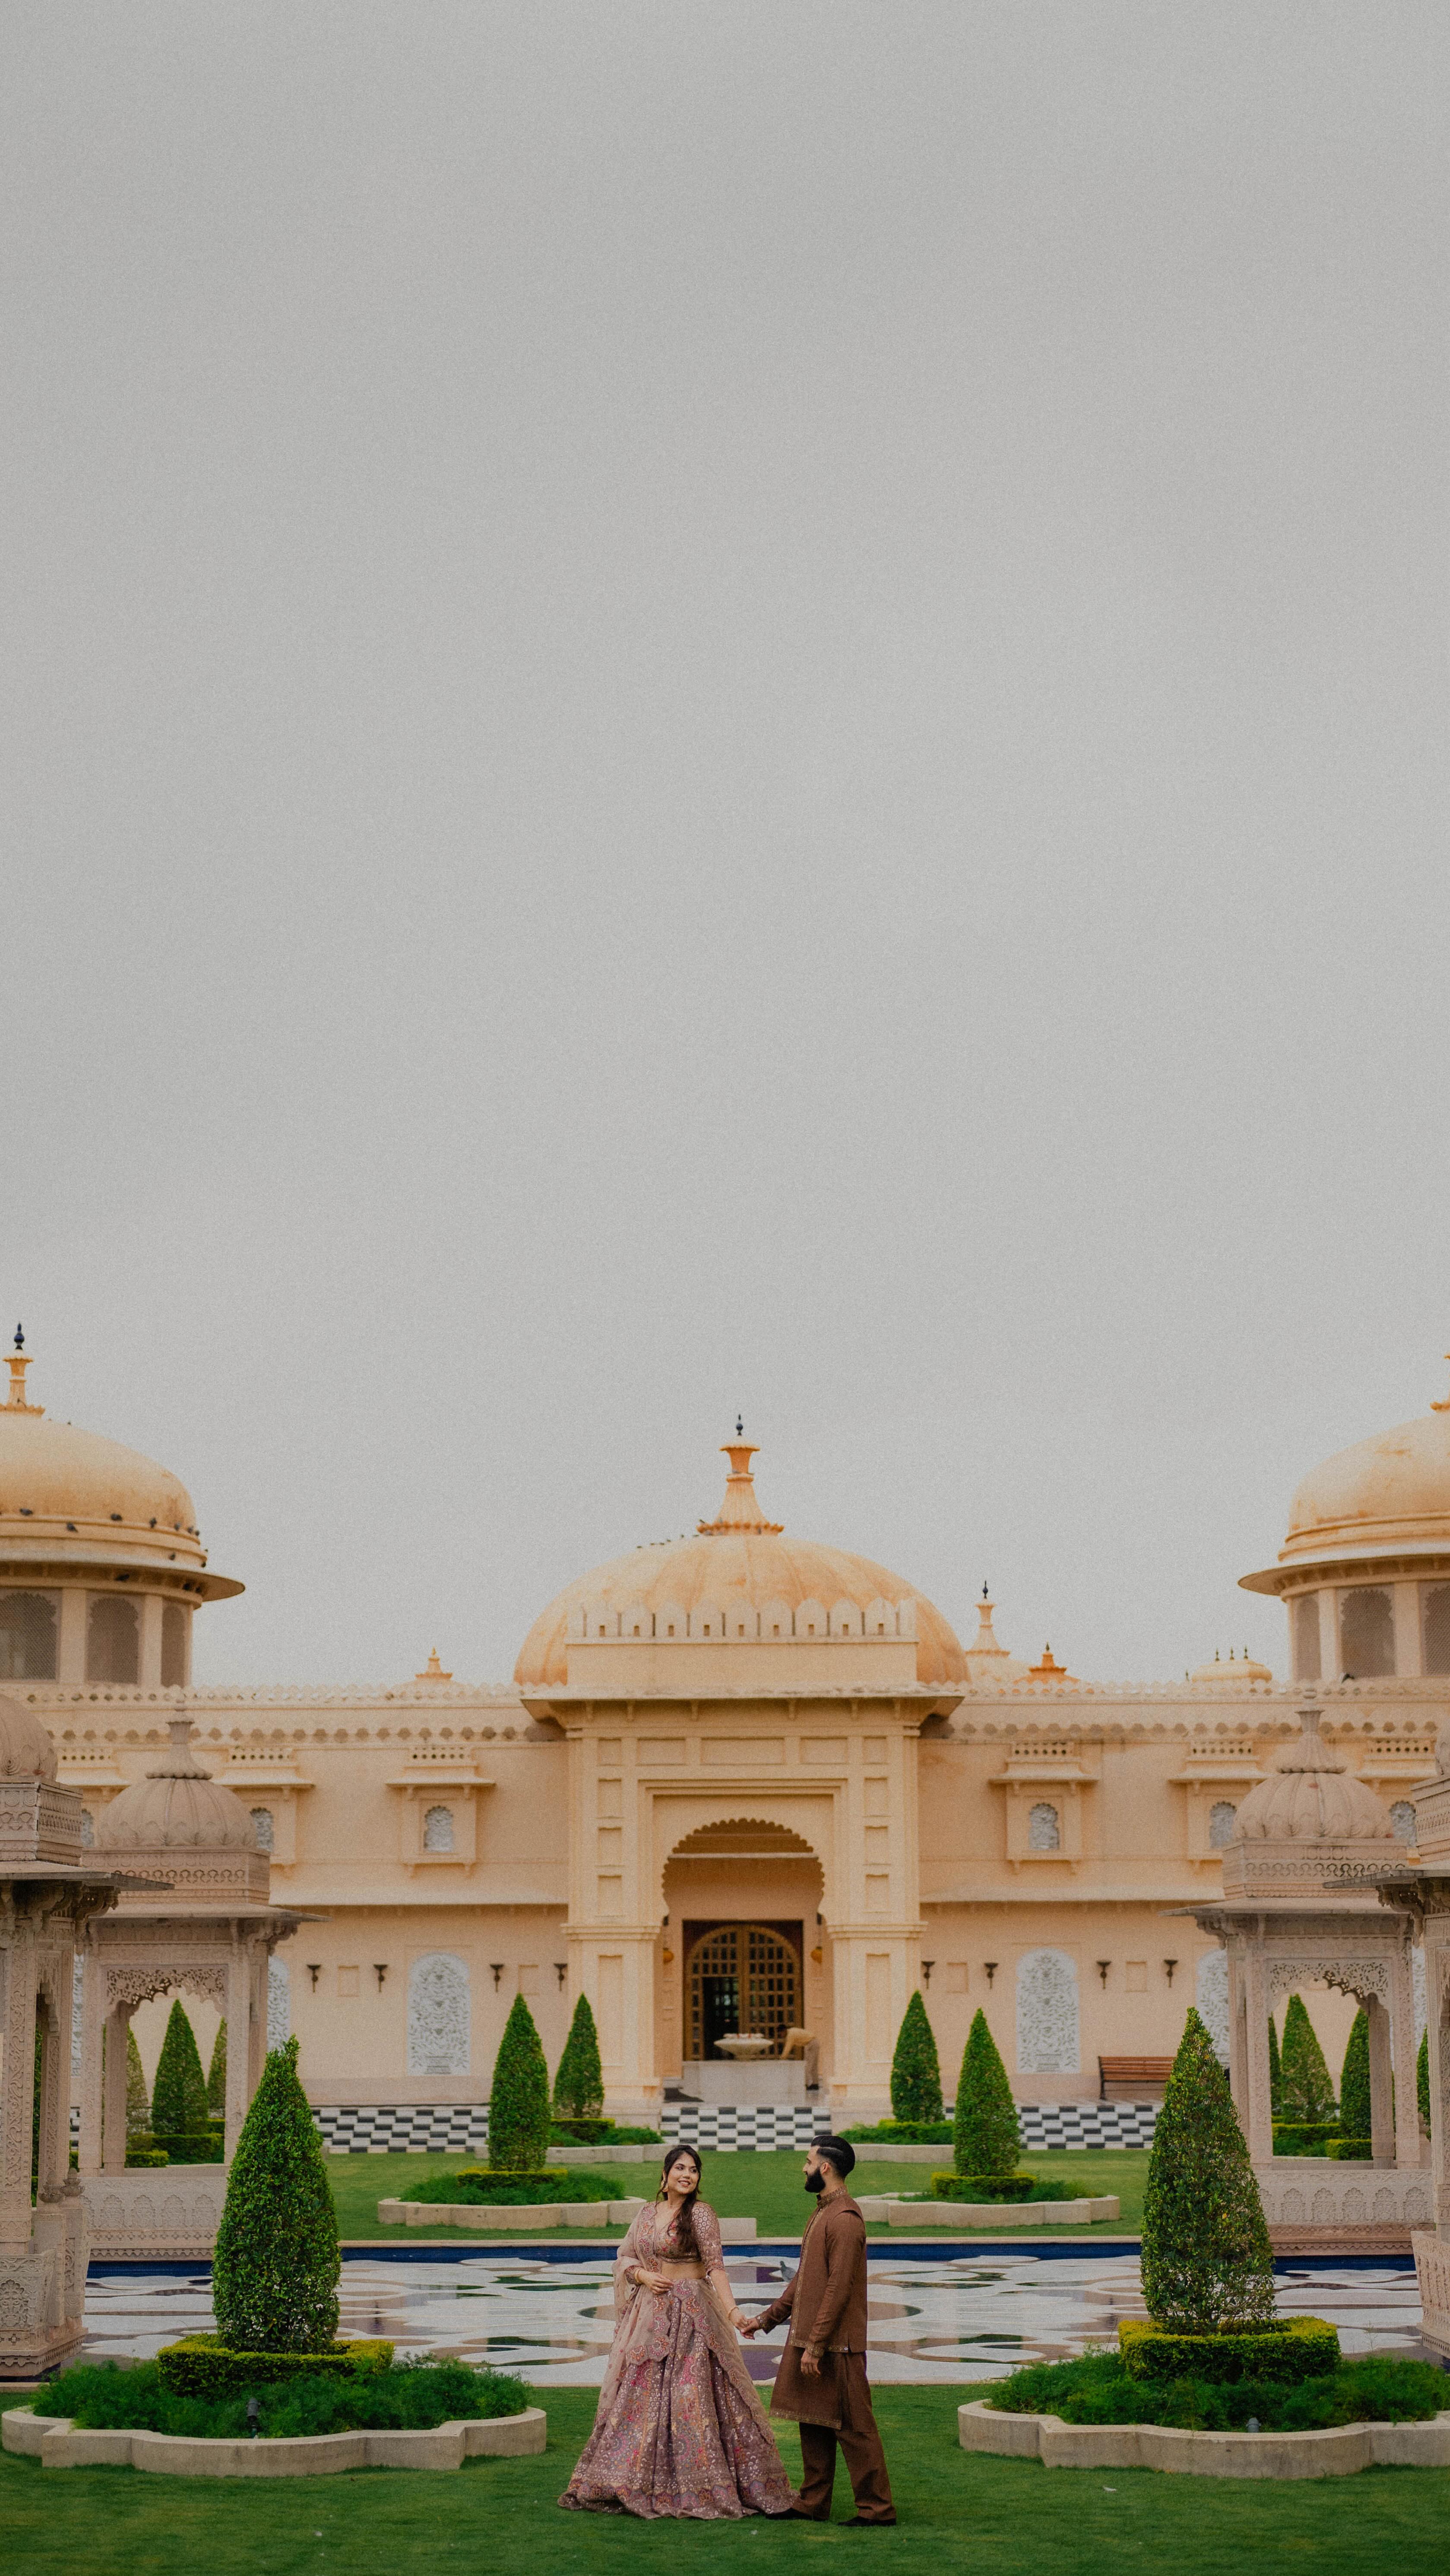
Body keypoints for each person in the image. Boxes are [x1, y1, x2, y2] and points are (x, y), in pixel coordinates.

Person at [559, 2142, 796, 2520]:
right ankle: (628, 2480)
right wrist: (641, 2275)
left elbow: (716, 2265)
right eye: (681, 2169)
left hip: (693, 2314)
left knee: (693, 2395)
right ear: (665, 2176)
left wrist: (733, 2312)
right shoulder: (646, 2214)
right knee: (641, 2395)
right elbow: (625, 2257)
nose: (688, 2175)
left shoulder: (701, 2215)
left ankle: (705, 2484)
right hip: (650, 2316)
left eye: (694, 2170)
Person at [741, 2134, 896, 2526]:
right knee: (813, 2423)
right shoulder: (823, 2212)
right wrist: (766, 2320)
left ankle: (877, 2510)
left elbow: (838, 2288)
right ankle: (812, 2504)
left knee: (856, 2430)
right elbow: (806, 2280)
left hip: (836, 2347)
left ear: (825, 2167)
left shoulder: (844, 2219)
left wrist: (817, 2346)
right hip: (812, 2341)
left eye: (809, 2161)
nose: (804, 2167)